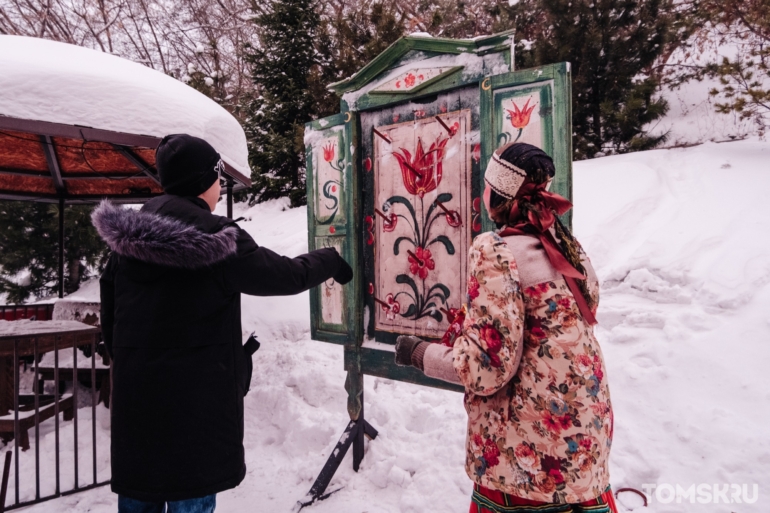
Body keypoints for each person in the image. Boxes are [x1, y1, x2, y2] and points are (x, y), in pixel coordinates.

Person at [93, 134, 353, 513]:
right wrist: (330, 259)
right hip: (197, 408)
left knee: (140, 497)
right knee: (192, 495)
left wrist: (136, 364)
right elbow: (285, 276)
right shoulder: (217, 239)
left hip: (137, 406)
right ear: (204, 180)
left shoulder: (124, 243)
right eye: (218, 177)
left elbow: (110, 319)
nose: (219, 187)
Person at [394, 143, 618, 513]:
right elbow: (583, 307)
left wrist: (420, 353)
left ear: (496, 195)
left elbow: (486, 369)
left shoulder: (495, 250)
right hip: (585, 441)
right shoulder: (564, 244)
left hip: (531, 455)